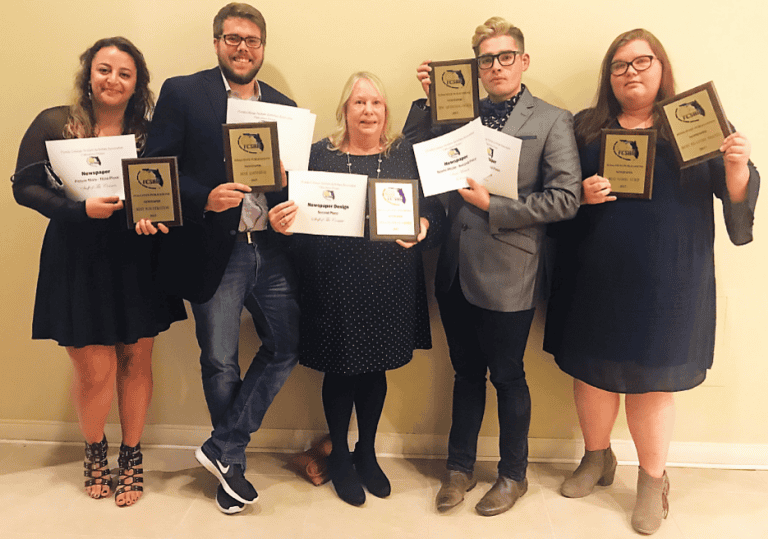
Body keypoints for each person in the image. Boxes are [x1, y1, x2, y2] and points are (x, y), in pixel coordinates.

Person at [543, 28, 759, 535]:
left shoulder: (694, 123)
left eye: (642, 62)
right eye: (620, 65)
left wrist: (734, 165)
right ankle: (596, 458)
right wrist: (580, 192)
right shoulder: (585, 128)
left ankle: (651, 479)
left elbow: (735, 197)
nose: (631, 72)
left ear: (662, 69)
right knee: (592, 373)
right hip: (593, 276)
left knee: (652, 383)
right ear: (608, 77)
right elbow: (554, 191)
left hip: (670, 281)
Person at [402, 17, 581, 516]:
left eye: (506, 56)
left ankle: (512, 475)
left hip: (511, 270)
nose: (496, 65)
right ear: (476, 67)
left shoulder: (551, 120)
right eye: (487, 59)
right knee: (464, 374)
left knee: (506, 375)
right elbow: (413, 156)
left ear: (523, 61)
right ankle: (458, 469)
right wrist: (428, 100)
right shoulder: (459, 111)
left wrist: (494, 207)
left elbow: (566, 199)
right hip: (455, 267)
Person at [11, 37, 186, 507]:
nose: (113, 80)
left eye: (124, 74)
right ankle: (95, 451)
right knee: (93, 368)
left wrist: (154, 217)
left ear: (137, 84)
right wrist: (78, 208)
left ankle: (131, 456)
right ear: (89, 74)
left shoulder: (152, 133)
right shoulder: (54, 123)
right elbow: (24, 187)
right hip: (76, 257)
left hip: (137, 257)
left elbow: (163, 193)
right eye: (104, 69)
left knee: (136, 359)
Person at [144, 2, 300, 514]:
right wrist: (203, 197)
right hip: (216, 248)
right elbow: (156, 167)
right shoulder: (184, 91)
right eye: (233, 38)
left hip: (270, 248)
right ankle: (232, 471)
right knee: (219, 360)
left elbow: (288, 182)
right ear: (217, 43)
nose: (243, 48)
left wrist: (283, 202)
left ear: (262, 48)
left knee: (287, 345)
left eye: (252, 40)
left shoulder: (281, 105)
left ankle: (223, 447)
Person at [269, 72, 445, 506]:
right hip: (332, 281)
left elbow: (436, 211)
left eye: (376, 103)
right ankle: (341, 457)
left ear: (386, 112)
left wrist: (423, 225)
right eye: (358, 103)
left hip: (389, 280)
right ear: (344, 111)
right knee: (340, 369)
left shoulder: (405, 155)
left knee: (375, 369)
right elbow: (287, 212)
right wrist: (282, 223)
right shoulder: (315, 156)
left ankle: (367, 452)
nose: (368, 111)